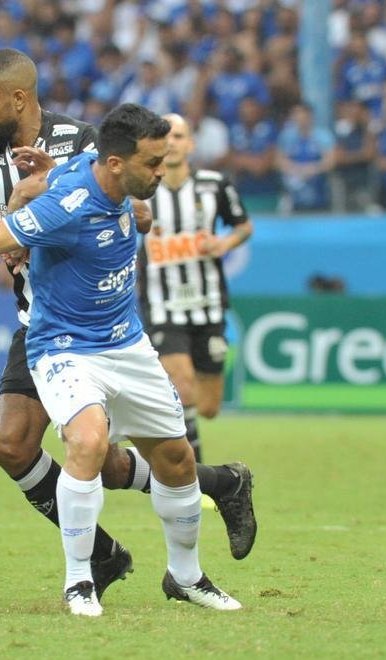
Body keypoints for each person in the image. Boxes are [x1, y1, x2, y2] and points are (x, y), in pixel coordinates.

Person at [0, 50, 258, 597]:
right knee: (15, 447)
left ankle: (205, 493)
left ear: (18, 97)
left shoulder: (82, 139)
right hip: (39, 323)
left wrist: (50, 190)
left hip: (92, 326)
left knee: (96, 457)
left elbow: (139, 210)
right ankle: (118, 546)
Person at [138, 113, 253, 464]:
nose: (172, 142)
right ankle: (195, 475)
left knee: (209, 406)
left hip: (209, 304)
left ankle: (158, 434)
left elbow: (243, 226)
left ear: (191, 144)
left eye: (179, 136)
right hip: (162, 305)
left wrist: (224, 243)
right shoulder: (141, 189)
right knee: (183, 385)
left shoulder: (215, 184)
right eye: (165, 136)